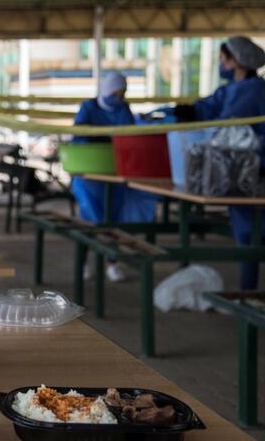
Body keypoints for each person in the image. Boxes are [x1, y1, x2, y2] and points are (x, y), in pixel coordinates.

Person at [173, 36, 265, 290]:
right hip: (239, 171)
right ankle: (249, 294)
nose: (220, 64)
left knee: (250, 234)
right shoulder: (229, 89)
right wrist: (185, 111)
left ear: (236, 61)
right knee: (246, 232)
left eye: (223, 59)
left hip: (254, 168)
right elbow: (208, 107)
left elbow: (229, 123)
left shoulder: (254, 90)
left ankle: (249, 297)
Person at [71, 71, 158, 282]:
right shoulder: (88, 108)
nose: (119, 98)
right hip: (89, 177)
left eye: (122, 94)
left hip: (115, 173)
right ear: (107, 90)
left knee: (113, 222)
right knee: (90, 222)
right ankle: (83, 264)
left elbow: (129, 136)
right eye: (116, 93)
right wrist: (103, 137)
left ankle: (112, 262)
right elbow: (79, 135)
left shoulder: (123, 109)